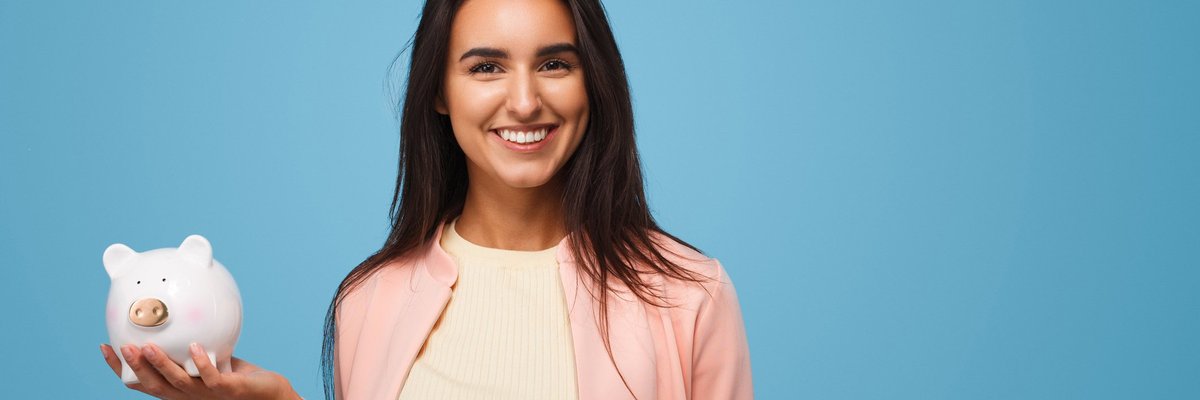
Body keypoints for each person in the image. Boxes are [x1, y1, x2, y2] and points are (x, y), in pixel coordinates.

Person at [100, 0, 752, 398]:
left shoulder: (689, 296)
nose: (524, 101)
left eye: (555, 63)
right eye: (486, 66)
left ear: (594, 83)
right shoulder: (371, 300)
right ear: (438, 91)